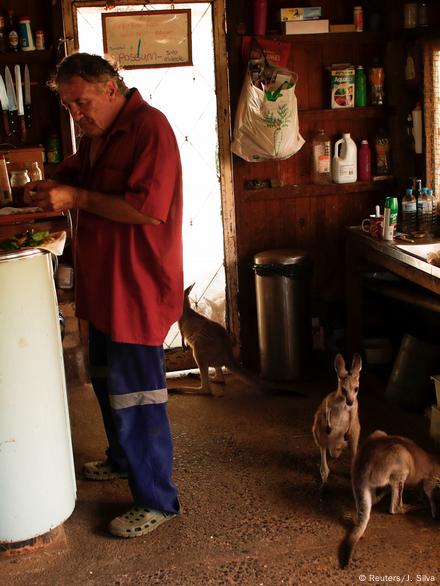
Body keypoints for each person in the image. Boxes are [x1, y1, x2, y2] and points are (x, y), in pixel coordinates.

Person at [25, 52, 183, 538]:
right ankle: (121, 459)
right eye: (70, 106)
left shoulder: (149, 129)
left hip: (137, 288)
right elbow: (77, 172)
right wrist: (52, 184)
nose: (77, 115)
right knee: (104, 380)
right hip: (105, 285)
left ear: (111, 88)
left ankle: (157, 500)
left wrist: (75, 199)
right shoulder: (99, 135)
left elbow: (147, 211)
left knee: (138, 394)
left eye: (82, 103)